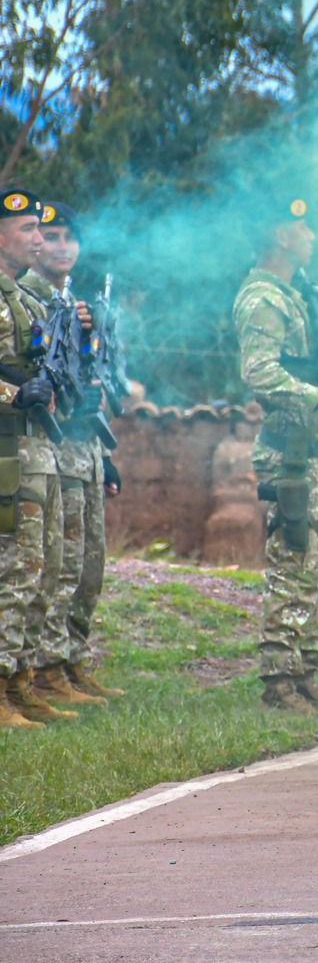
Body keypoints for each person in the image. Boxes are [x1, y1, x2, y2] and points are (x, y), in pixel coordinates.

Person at [233, 198, 318, 722]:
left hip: (314, 454)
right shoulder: (264, 297)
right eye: (301, 225)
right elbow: (260, 372)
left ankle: (305, 678)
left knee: (317, 572)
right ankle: (280, 685)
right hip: (289, 455)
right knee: (293, 568)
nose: (310, 234)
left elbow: (305, 361)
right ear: (279, 235)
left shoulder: (297, 296)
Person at [22, 202, 120, 704]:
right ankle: (44, 668)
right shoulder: (28, 298)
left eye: (68, 238)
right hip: (52, 450)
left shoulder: (76, 302)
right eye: (50, 236)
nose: (60, 247)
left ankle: (70, 659)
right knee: (56, 564)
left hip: (85, 449)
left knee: (88, 564)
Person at [0, 188, 69, 729]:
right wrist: (12, 393)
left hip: (34, 449)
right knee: (13, 569)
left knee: (36, 567)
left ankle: (20, 684)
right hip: (6, 450)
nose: (39, 239)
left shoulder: (27, 299)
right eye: (27, 230)